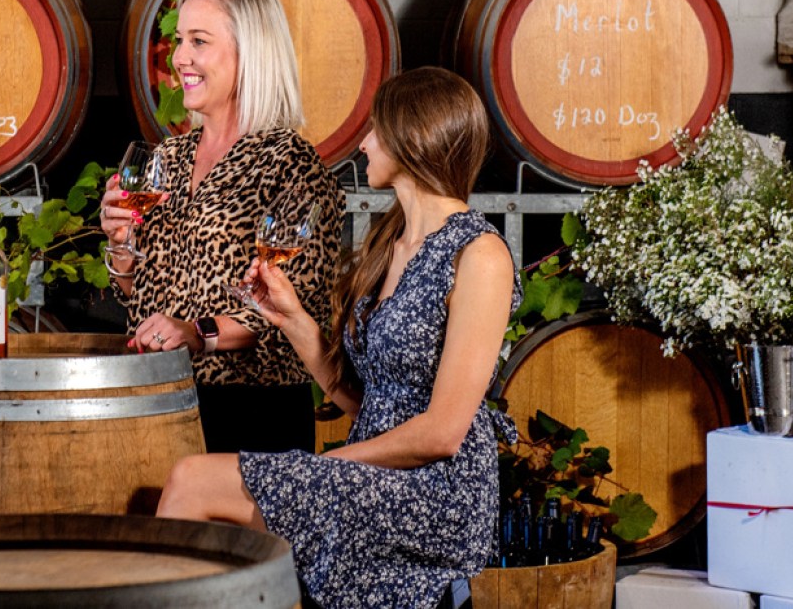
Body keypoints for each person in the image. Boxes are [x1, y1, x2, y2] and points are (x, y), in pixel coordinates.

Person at [156, 67, 521, 608]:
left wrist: (326, 466)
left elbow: (443, 433)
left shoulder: (480, 255)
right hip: (378, 475)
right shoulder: (390, 243)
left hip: (437, 494)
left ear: (412, 137)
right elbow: (364, 399)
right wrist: (290, 318)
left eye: (376, 130)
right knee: (205, 495)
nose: (364, 143)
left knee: (193, 480)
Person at [100, 0, 343, 454]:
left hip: (252, 410)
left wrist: (199, 334)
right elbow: (144, 295)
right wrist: (122, 248)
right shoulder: (170, 157)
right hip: (161, 398)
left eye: (199, 41)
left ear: (249, 54)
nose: (179, 57)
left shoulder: (289, 162)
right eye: (178, 40)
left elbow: (294, 306)